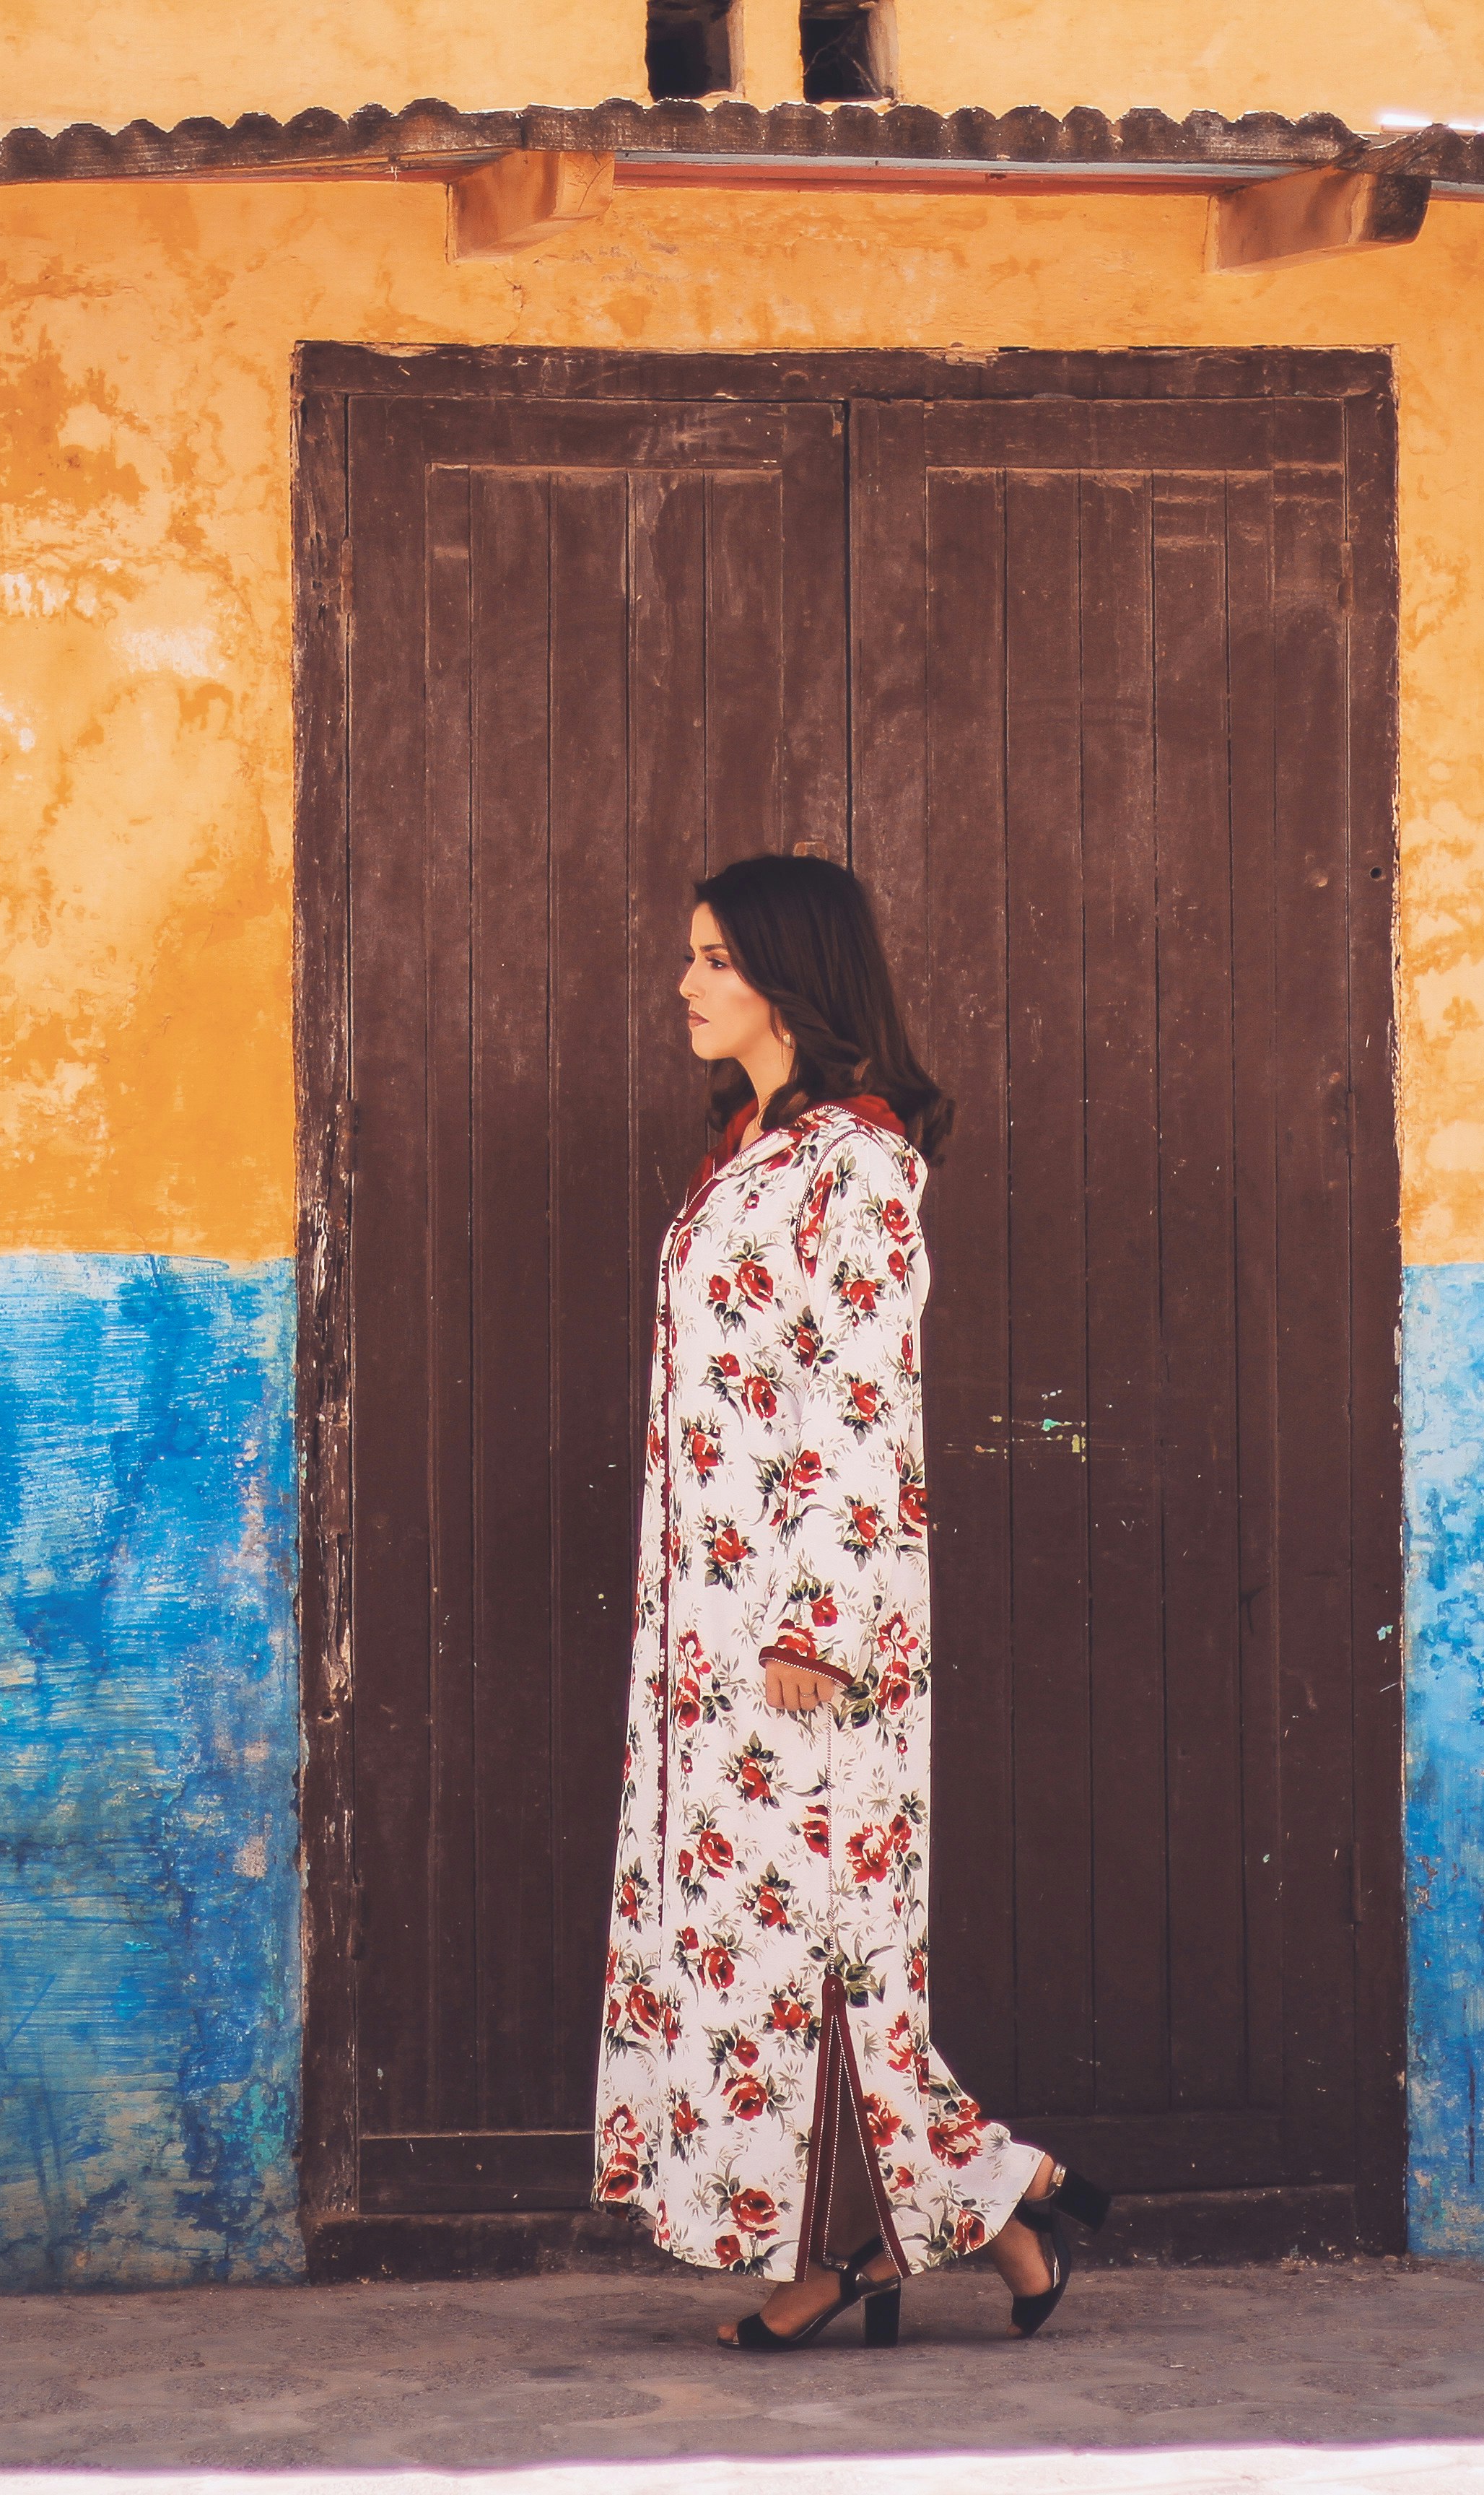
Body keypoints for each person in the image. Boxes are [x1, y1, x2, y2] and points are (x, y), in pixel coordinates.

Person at [593, 850, 1114, 2354]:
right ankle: (1001, 2210)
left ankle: (852, 2250)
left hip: (808, 1641)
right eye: (688, 957)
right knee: (769, 1942)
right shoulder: (748, 1151)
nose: (685, 984)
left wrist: (815, 1618)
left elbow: (860, 1402)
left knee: (818, 1942)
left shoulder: (859, 1165)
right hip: (714, 1632)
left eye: (712, 959)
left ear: (789, 975)